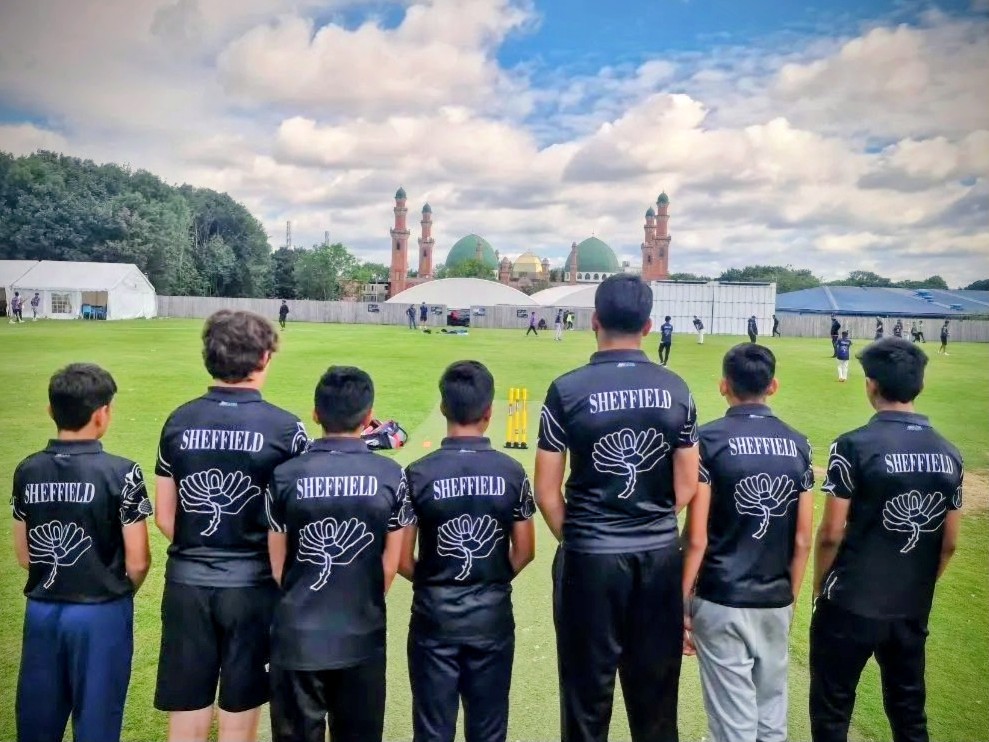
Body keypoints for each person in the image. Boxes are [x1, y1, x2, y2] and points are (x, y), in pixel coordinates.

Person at [535, 274, 698, 742]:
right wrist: (649, 521)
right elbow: (687, 484)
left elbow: (547, 490)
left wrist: (583, 535)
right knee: (656, 700)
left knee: (586, 699)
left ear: (594, 321)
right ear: (648, 326)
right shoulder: (676, 388)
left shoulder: (567, 389)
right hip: (658, 558)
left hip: (589, 559)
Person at [153, 310, 308, 742]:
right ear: (264, 357)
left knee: (188, 707)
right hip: (253, 587)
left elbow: (165, 515)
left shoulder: (178, 421)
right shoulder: (286, 428)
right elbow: (298, 518)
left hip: (187, 583)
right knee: (239, 711)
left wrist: (205, 547)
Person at [811, 337, 963, 742]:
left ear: (871, 385)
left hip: (849, 602)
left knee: (832, 711)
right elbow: (949, 542)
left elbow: (831, 533)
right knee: (909, 712)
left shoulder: (852, 445)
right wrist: (917, 584)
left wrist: (820, 588)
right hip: (910, 606)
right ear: (920, 385)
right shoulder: (949, 454)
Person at [266, 366, 413, 742]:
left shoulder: (284, 476)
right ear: (369, 418)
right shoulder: (391, 475)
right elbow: (390, 565)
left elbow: (278, 566)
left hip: (297, 636)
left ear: (316, 414)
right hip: (361, 633)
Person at [12, 363, 153, 742]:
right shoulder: (123, 473)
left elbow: (24, 554)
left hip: (42, 609)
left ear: (50, 410)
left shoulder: (27, 470)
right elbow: (139, 561)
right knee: (97, 722)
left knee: (37, 721)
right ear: (102, 414)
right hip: (101, 611)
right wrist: (114, 590)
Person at [682, 344, 813, 742]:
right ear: (773, 386)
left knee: (732, 726)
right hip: (775, 597)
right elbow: (803, 538)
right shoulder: (799, 444)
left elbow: (697, 537)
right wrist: (789, 598)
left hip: (721, 596)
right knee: (771, 720)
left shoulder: (708, 440)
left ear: (724, 385)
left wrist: (681, 602)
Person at [400, 361, 536, 742]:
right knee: (488, 731)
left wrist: (433, 581)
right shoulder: (512, 472)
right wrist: (491, 578)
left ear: (443, 407)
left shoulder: (417, 473)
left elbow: (402, 559)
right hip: (491, 621)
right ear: (489, 412)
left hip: (433, 621)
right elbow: (525, 550)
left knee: (432, 731)